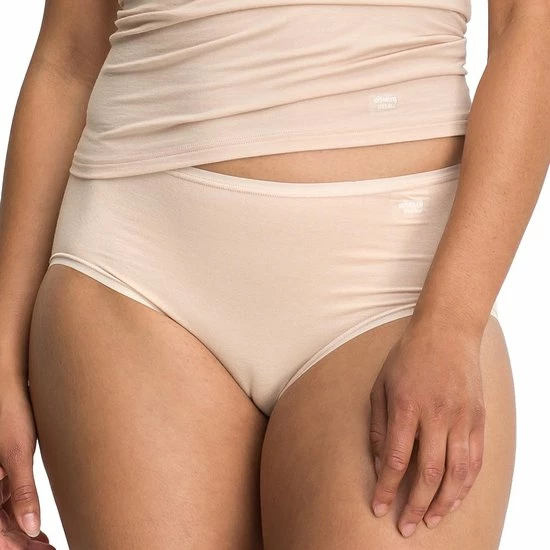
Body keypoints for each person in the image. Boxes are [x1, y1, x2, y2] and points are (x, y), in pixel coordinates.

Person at [0, 0, 547, 548]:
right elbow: (69, 57)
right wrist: (0, 361)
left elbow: (530, 27)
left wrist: (452, 323)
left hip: (394, 293)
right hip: (136, 272)